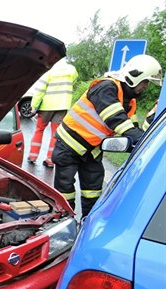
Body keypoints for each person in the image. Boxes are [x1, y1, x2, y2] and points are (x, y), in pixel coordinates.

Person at [51, 54, 162, 218]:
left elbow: (131, 128)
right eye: (145, 81)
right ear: (135, 76)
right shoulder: (106, 87)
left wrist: (145, 136)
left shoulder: (129, 101)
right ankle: (63, 221)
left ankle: (88, 221)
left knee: (93, 190)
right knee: (64, 189)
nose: (145, 87)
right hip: (68, 146)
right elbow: (116, 119)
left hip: (92, 150)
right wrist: (145, 142)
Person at [27, 58, 78, 167]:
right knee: (55, 134)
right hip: (62, 106)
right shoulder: (72, 70)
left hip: (46, 106)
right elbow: (73, 81)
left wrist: (34, 106)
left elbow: (39, 90)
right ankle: (50, 160)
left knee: (39, 130)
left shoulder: (48, 70)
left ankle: (32, 156)